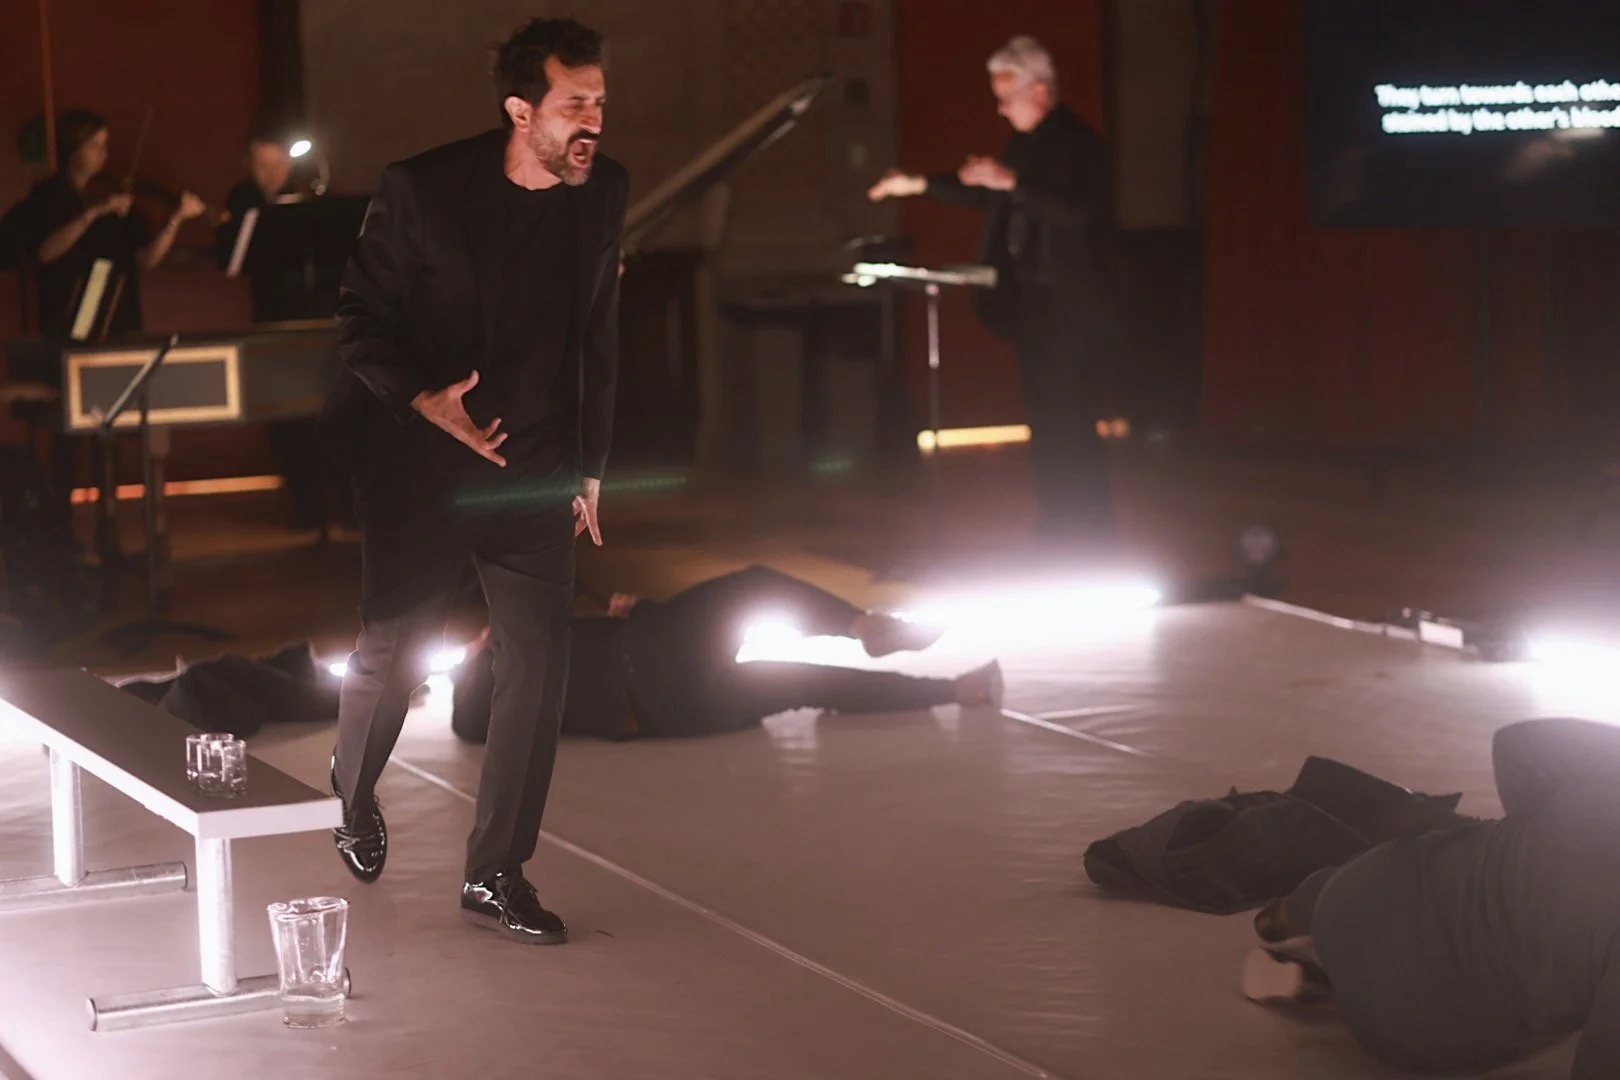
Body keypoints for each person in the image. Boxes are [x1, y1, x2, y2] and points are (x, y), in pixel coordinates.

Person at [323, 16, 623, 947]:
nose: (592, 122)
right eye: (574, 105)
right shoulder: (423, 190)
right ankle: (352, 789)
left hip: (537, 469)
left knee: (537, 670)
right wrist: (424, 398)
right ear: (520, 110)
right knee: (393, 655)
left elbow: (598, 331)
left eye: (599, 103)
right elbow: (360, 318)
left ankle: (496, 872)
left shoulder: (603, 190)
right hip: (425, 468)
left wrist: (591, 465)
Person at [1241, 718, 1620, 1078]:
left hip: (1359, 891)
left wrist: (1534, 836)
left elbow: (1516, 744)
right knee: (1474, 1011)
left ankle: (1284, 915)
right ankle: (1321, 991)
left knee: (1426, 862)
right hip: (1408, 1020)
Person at [868, 36, 1120, 550]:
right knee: (1045, 422)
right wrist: (918, 184)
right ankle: (1057, 526)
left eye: (1007, 97)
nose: (1001, 109)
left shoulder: (1077, 144)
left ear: (1040, 91)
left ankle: (1091, 532)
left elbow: (1078, 211)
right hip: (1034, 307)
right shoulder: (1023, 145)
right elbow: (987, 191)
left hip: (1071, 309)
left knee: (1072, 422)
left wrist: (1014, 183)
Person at [449, 565, 1003, 744]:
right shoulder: (490, 677)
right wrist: (491, 645)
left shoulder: (520, 659)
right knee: (751, 587)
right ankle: (864, 625)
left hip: (675, 713)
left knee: (807, 682)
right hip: (647, 666)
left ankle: (957, 689)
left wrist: (637, 608)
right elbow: (468, 722)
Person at [6, 109, 205, 500]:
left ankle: (108, 517)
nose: (103, 154)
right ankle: (60, 520)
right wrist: (95, 212)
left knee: (110, 425)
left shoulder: (119, 202)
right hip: (66, 321)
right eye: (95, 145)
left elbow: (146, 259)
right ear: (73, 150)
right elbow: (46, 252)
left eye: (105, 145)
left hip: (116, 318)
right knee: (67, 425)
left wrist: (176, 220)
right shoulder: (49, 197)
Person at [216, 127, 342, 530]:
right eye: (262, 165)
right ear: (248, 165)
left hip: (321, 319)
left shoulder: (313, 195)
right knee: (285, 415)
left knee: (335, 411)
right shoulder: (243, 199)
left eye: (279, 163)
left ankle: (345, 507)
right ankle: (305, 507)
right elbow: (230, 260)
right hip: (274, 319)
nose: (272, 173)